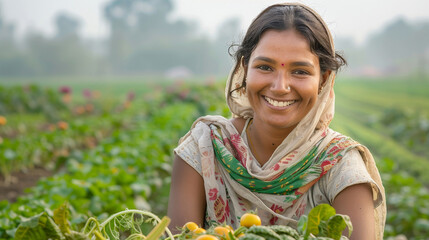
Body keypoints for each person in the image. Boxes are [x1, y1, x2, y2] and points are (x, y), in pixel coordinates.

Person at [167, 2, 386, 240]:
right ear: (244, 69)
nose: (280, 87)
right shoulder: (204, 149)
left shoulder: (341, 167)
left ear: (323, 80)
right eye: (265, 67)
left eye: (300, 71)